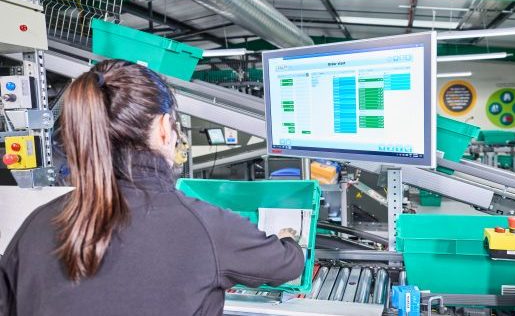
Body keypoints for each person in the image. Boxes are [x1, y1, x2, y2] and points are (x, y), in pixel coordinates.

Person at [0, 60, 304, 316]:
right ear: (163, 128)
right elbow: (288, 265)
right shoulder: (205, 226)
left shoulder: (39, 223)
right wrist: (288, 237)